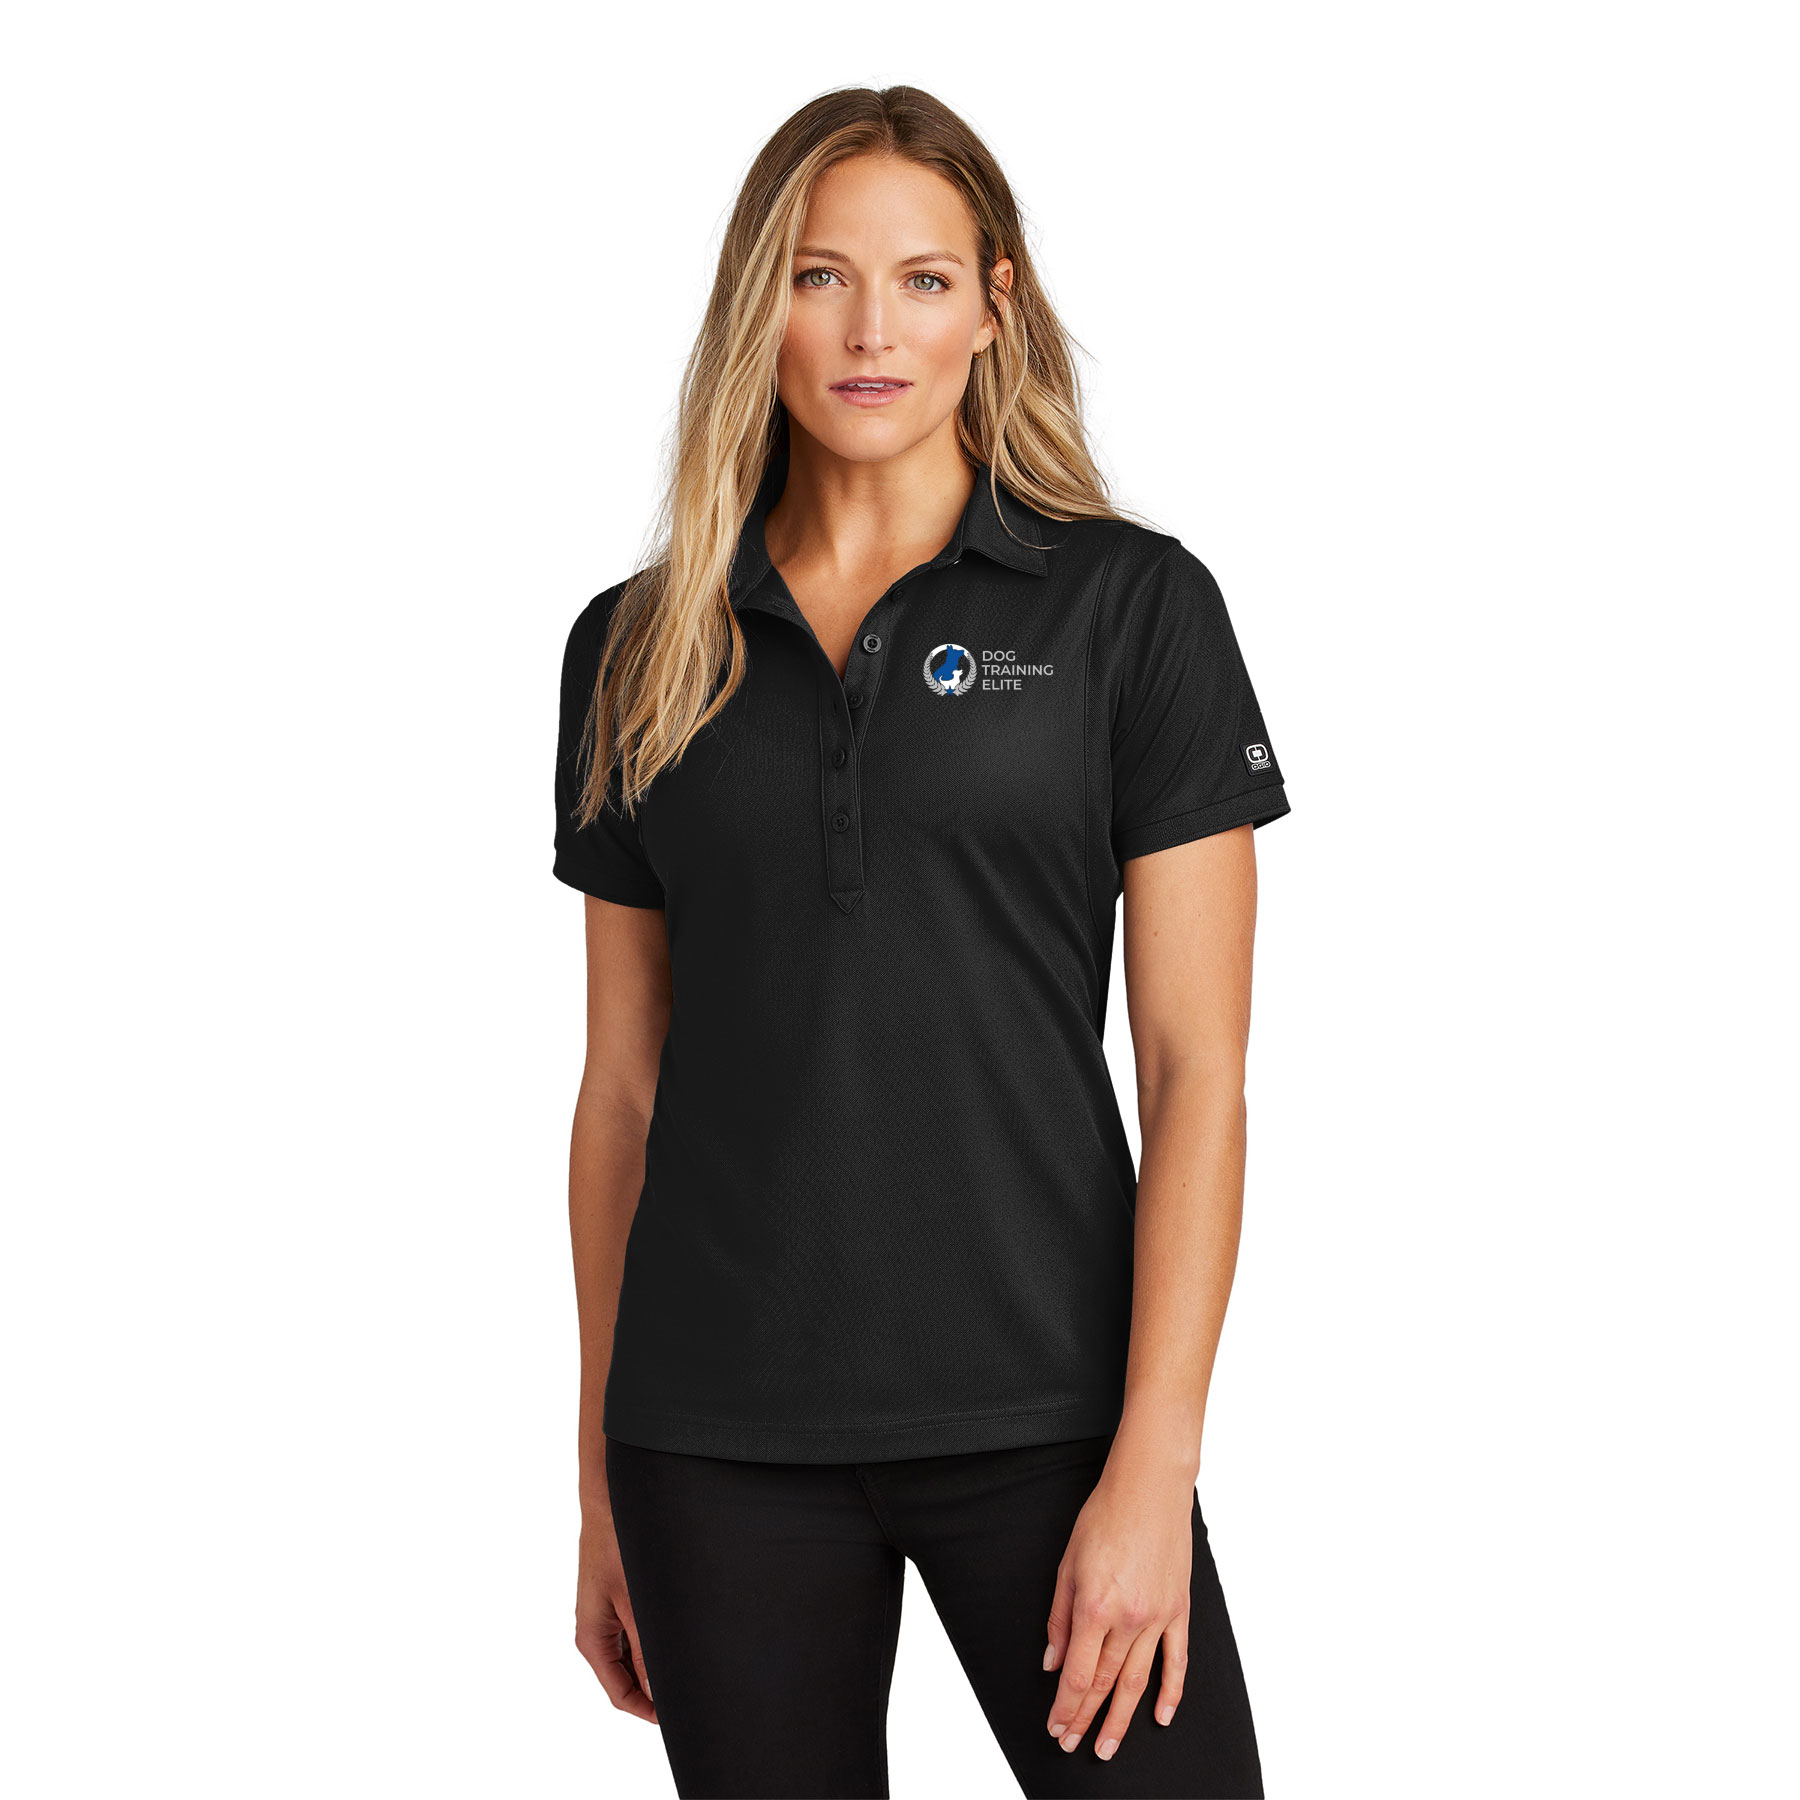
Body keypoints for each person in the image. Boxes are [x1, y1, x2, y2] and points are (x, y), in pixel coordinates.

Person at [553, 85, 1289, 1800]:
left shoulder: (1133, 612)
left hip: (1053, 1419)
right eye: (820, 278)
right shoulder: (637, 647)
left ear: (994, 307)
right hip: (714, 1444)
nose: (872, 330)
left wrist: (1154, 1467)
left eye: (924, 280)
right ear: (759, 307)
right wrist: (597, 1481)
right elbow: (621, 1094)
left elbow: (1196, 1073)